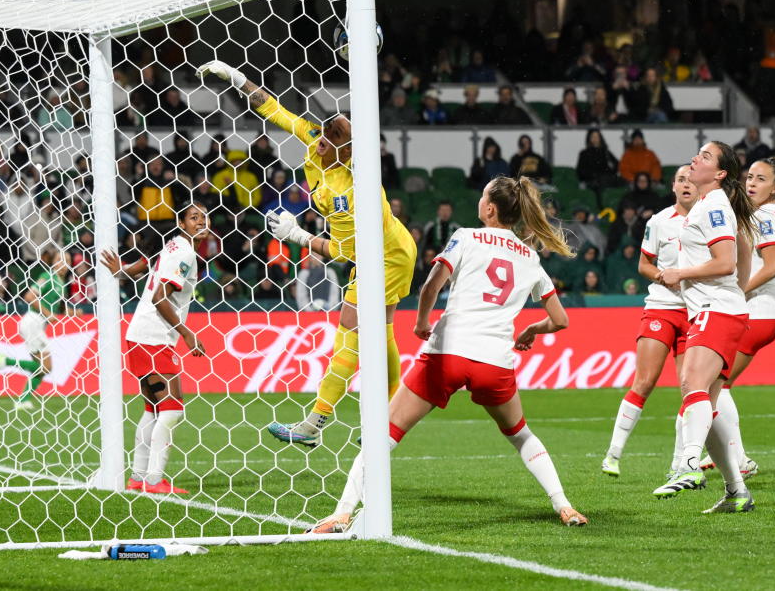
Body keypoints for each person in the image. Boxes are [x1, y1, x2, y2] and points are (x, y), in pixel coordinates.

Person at [311, 176, 587, 533]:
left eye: (483, 194)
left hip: (448, 354)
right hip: (495, 362)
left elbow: (432, 283)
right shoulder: (530, 257)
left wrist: (422, 322)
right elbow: (560, 320)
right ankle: (564, 505)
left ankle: (342, 513)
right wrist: (533, 329)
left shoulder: (467, 237)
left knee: (385, 433)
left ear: (489, 208)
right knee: (520, 434)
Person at [197, 59, 417, 447]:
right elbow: (275, 110)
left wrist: (297, 236)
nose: (319, 143)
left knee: (350, 327)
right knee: (378, 330)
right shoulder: (318, 139)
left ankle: (316, 423)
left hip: (386, 255)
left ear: (346, 154)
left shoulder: (351, 192)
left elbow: (345, 252)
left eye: (329, 142)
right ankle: (390, 413)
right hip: (389, 247)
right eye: (323, 136)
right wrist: (235, 77)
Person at [652, 141, 757, 512]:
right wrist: (738, 295)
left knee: (690, 385)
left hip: (716, 310)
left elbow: (725, 260)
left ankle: (691, 465)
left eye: (706, 156)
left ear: (720, 174)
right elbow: (743, 251)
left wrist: (680, 272)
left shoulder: (712, 206)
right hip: (718, 309)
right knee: (706, 404)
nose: (696, 158)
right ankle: (736, 491)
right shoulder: (711, 205)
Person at [699, 157, 775, 476]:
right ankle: (724, 456)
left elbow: (773, 266)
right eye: (749, 178)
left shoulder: (763, 216)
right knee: (717, 385)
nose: (751, 184)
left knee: (714, 386)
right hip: (767, 314)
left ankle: (737, 459)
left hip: (754, 313)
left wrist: (739, 290)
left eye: (760, 179)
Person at [100, 204, 209, 495]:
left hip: (141, 334)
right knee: (172, 408)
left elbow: (149, 264)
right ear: (182, 223)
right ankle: (153, 480)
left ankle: (138, 477)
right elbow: (161, 297)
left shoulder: (174, 245)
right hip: (154, 336)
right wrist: (187, 333)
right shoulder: (184, 252)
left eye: (203, 217)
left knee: (154, 408)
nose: (200, 222)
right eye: (194, 218)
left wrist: (123, 271)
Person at [601, 166, 697, 477]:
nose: (686, 184)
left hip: (696, 312)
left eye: (691, 180)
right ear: (673, 186)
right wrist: (661, 276)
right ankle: (613, 454)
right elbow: (644, 264)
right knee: (644, 382)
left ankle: (679, 464)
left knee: (690, 389)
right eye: (680, 179)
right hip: (662, 308)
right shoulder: (658, 221)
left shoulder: (711, 221)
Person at [0, 248, 69, 411]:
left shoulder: (62, 284)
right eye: (60, 259)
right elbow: (29, 296)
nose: (63, 264)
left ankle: (22, 400)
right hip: (33, 322)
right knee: (46, 367)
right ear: (53, 262)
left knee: (40, 368)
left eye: (66, 260)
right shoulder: (47, 277)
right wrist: (48, 315)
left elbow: (58, 310)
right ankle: (6, 361)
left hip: (37, 324)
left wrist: (75, 313)